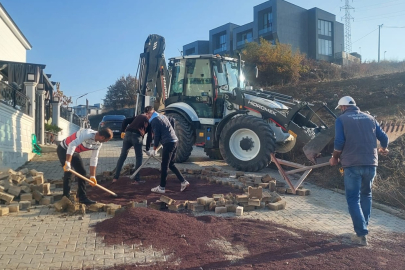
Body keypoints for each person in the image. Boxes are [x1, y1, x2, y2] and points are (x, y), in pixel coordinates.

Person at [329, 96, 389, 246]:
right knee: (366, 195)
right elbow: (384, 137)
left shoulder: (342, 119)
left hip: (352, 165)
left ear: (342, 107)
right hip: (371, 164)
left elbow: (339, 142)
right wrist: (383, 148)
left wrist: (335, 158)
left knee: (353, 198)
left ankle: (361, 234)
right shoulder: (370, 118)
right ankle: (363, 227)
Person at [57, 128, 113, 205]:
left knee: (82, 172)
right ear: (102, 137)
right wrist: (68, 162)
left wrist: (92, 176)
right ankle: (66, 197)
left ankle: (82, 197)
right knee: (69, 172)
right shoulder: (87, 134)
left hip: (75, 152)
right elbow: (72, 145)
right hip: (64, 149)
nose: (106, 141)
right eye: (107, 140)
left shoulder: (98, 144)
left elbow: (94, 158)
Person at [145, 107, 189, 193]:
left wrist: (154, 149)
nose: (148, 116)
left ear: (152, 112)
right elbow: (170, 124)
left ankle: (161, 187)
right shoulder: (163, 116)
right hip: (175, 141)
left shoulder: (154, 120)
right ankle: (184, 181)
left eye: (148, 114)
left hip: (168, 143)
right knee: (171, 164)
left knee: (164, 166)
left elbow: (156, 135)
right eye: (147, 114)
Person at [112, 108, 153, 183]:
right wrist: (147, 149)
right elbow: (150, 136)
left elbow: (125, 121)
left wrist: (122, 131)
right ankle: (137, 179)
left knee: (122, 156)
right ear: (149, 113)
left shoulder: (138, 116)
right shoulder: (149, 120)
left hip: (127, 135)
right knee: (139, 157)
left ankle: (115, 178)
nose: (152, 115)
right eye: (152, 113)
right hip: (137, 136)